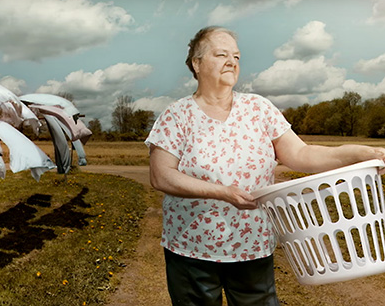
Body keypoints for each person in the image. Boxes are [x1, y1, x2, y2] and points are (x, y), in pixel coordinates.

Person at [145, 26, 385, 306]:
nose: (232, 61)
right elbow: (161, 176)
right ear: (196, 64)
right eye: (221, 54)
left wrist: (361, 153)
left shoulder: (259, 108)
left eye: (236, 56)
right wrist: (223, 192)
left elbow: (302, 153)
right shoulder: (177, 115)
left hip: (252, 245)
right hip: (192, 248)